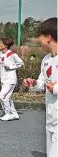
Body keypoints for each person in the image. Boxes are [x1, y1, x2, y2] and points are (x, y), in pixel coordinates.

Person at [23, 17, 57, 157]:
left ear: (48, 37)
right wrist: (34, 84)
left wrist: (55, 89)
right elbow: (43, 82)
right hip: (51, 118)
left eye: (40, 37)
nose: (39, 40)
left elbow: (53, 87)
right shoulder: (46, 60)